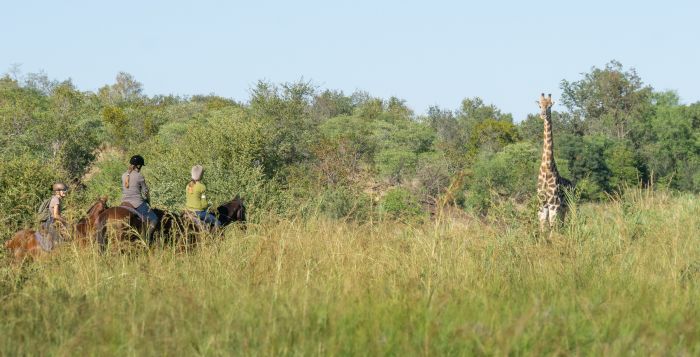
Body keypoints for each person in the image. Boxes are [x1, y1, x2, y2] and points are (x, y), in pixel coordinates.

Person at [121, 155, 159, 238]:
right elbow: (145, 191)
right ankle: (146, 240)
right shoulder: (139, 176)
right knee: (154, 219)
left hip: (124, 202)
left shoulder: (123, 175)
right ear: (139, 166)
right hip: (136, 203)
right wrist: (148, 200)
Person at [40, 182, 70, 250]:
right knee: (62, 241)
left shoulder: (56, 199)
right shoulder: (56, 200)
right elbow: (56, 215)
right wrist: (66, 221)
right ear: (57, 191)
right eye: (63, 190)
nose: (65, 191)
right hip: (51, 223)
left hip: (52, 222)